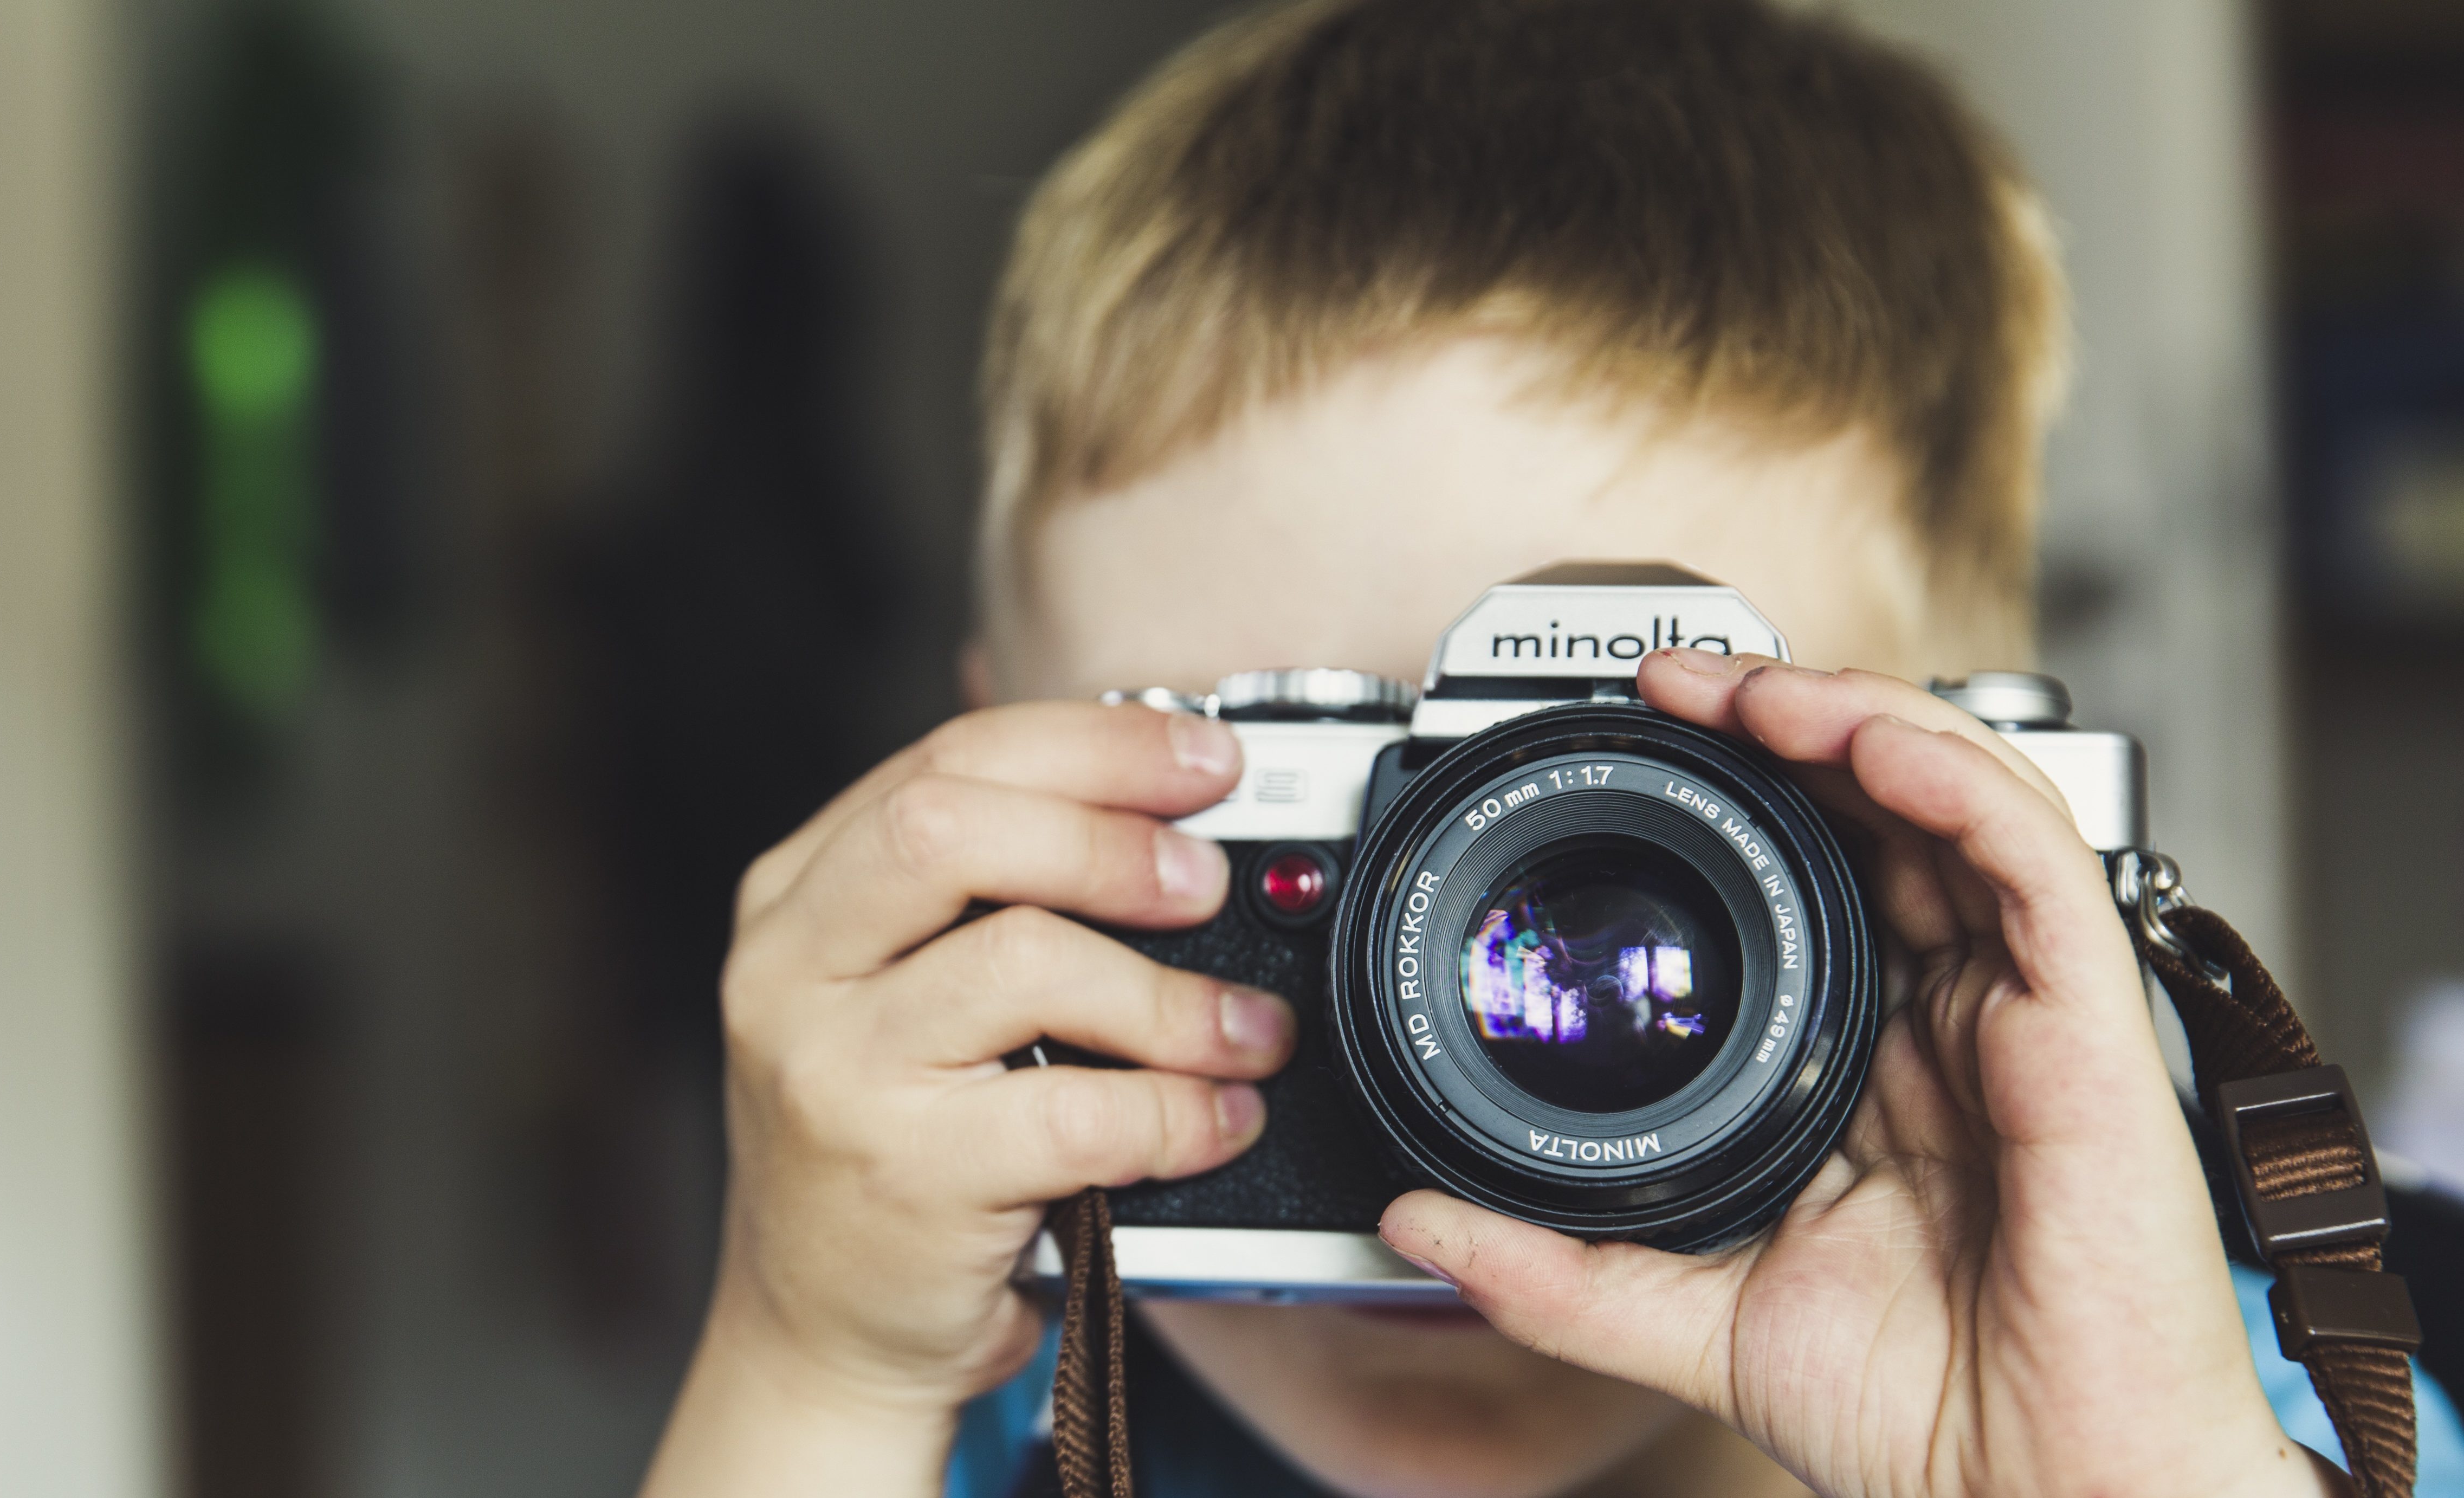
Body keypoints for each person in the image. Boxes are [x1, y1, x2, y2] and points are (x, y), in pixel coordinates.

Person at [636, 2, 2464, 1494]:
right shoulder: (955, 1423)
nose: (1482, 1062)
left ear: (1981, 837)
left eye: (1657, 813)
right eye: (1302, 801)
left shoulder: (2231, 1407)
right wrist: (808, 1366)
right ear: (992, 796)